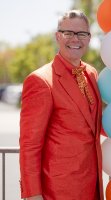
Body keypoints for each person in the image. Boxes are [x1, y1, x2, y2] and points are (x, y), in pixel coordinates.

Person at [19, 10, 104, 200]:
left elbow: (96, 123)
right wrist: (33, 194)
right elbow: (29, 145)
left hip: (93, 186)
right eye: (68, 33)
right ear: (58, 36)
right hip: (57, 190)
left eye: (82, 33)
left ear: (89, 39)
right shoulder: (40, 81)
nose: (75, 39)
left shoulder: (91, 73)